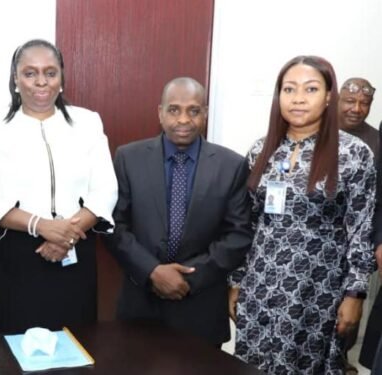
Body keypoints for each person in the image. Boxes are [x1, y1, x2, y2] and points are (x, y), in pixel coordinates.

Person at [229, 56, 376, 374]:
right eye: (289, 89)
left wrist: (355, 293)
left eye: (310, 89)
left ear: (327, 97)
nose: (297, 98)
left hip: (317, 290)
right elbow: (249, 223)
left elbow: (361, 229)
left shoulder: (352, 154)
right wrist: (237, 281)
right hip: (261, 286)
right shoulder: (262, 150)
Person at [0, 39, 117, 335]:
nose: (41, 82)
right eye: (30, 73)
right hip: (17, 256)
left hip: (75, 248)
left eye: (50, 73)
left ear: (62, 78)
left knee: (78, 344)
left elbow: (105, 189)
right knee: (14, 351)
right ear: (15, 78)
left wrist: (65, 236)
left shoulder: (88, 123)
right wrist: (42, 226)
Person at [106, 77, 252, 346]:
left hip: (201, 304)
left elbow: (238, 235)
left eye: (193, 110)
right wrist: (153, 271)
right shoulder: (128, 158)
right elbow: (114, 225)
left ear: (205, 114)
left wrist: (187, 278)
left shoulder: (231, 165)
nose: (183, 119)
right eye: (174, 109)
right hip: (141, 301)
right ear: (160, 113)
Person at [336, 77, 377, 373]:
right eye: (350, 101)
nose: (356, 108)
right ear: (337, 100)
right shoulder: (319, 132)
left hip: (360, 239)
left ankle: (340, 358)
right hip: (318, 237)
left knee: (350, 305)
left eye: (364, 103)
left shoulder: (377, 142)